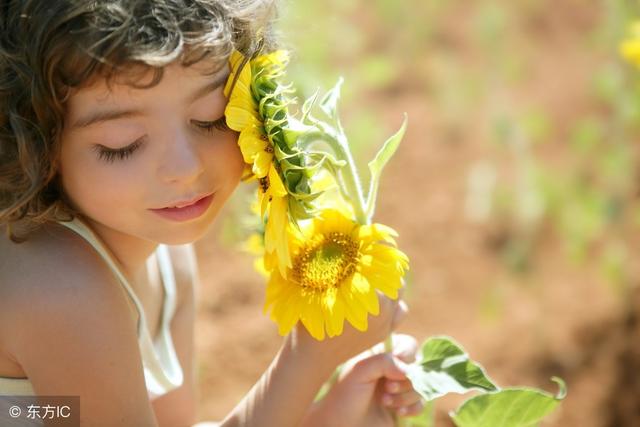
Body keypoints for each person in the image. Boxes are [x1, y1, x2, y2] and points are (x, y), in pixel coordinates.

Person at [0, 1, 424, 426]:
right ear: (35, 145)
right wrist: (306, 361)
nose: (185, 169)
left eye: (211, 118)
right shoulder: (59, 291)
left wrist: (331, 415)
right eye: (122, 143)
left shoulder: (167, 258)